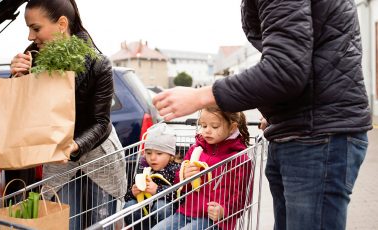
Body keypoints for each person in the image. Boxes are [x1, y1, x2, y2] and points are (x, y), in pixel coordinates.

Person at [152, 1, 372, 229]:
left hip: (315, 135)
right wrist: (279, 111)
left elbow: (285, 69)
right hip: (302, 128)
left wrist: (200, 97)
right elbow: (300, 60)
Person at [9, 0, 127, 229]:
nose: (30, 37)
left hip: (99, 157)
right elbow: (21, 113)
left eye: (35, 28)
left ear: (62, 23)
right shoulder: (31, 59)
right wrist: (16, 80)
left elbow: (101, 122)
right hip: (57, 160)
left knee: (99, 223)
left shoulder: (98, 63)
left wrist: (75, 145)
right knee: (64, 224)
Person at [152, 107, 251, 230]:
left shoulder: (239, 158)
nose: (207, 131)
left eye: (214, 127)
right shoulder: (195, 149)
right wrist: (184, 176)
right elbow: (179, 184)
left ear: (232, 127)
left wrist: (223, 211)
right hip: (185, 212)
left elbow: (241, 197)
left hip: (215, 221)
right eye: (203, 126)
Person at [123, 123, 180, 230]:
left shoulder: (175, 170)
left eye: (159, 153)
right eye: (149, 153)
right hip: (144, 211)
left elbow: (180, 196)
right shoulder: (143, 168)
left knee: (161, 207)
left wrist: (157, 190)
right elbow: (127, 196)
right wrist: (133, 192)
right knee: (129, 206)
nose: (152, 158)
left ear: (171, 155)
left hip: (166, 213)